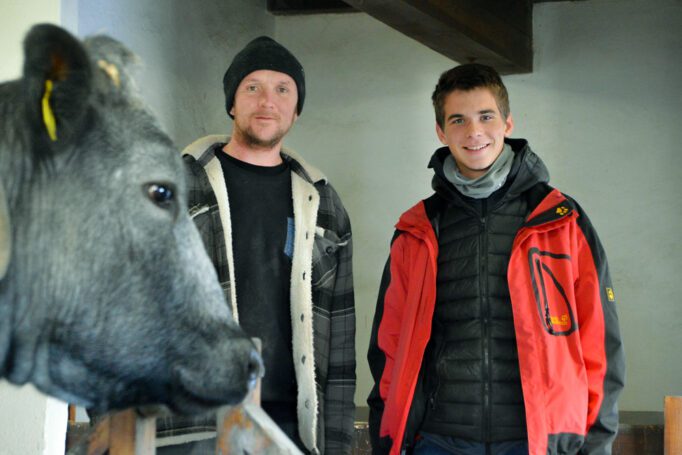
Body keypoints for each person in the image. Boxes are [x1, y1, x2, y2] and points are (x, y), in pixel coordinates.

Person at [366, 63, 625, 455]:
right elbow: (388, 346)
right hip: (437, 441)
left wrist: (597, 443)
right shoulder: (417, 229)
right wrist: (387, 436)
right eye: (458, 120)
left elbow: (601, 343)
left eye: (486, 116)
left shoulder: (561, 220)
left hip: (536, 442)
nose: (474, 131)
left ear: (507, 122)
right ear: (441, 132)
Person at [181, 36, 356, 454]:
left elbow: (340, 337)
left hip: (291, 425)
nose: (267, 101)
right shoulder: (175, 187)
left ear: (296, 110)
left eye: (282, 90)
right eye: (252, 87)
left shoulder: (323, 203)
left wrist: (336, 442)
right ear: (232, 103)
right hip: (193, 423)